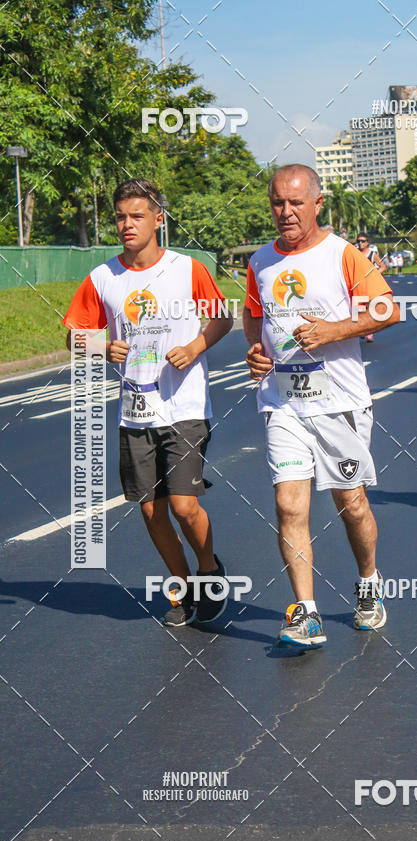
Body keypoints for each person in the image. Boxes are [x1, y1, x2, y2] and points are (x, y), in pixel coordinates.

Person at [243, 164, 400, 648]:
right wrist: (256, 351)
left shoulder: (343, 255)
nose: (285, 212)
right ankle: (304, 613)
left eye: (295, 202)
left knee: (350, 504)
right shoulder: (260, 262)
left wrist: (334, 330)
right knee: (289, 504)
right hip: (282, 404)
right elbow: (254, 316)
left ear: (317, 202)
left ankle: (369, 584)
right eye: (276, 203)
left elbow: (387, 309)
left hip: (340, 404)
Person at [63, 178, 233, 624]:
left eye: (136, 216)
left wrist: (195, 348)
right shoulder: (103, 277)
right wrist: (99, 347)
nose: (126, 224)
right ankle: (183, 592)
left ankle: (209, 571)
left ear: (159, 219)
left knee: (183, 505)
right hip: (135, 411)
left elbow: (221, 318)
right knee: (151, 508)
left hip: (184, 407)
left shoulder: (187, 268)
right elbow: (73, 334)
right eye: (120, 216)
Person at [356, 233, 387, 342]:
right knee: (359, 309)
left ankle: (369, 333)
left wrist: (375, 274)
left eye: (363, 241)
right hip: (357, 284)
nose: (360, 243)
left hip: (369, 285)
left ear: (367, 242)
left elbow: (383, 266)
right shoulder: (354, 253)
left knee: (369, 309)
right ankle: (362, 330)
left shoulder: (372, 254)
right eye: (358, 241)